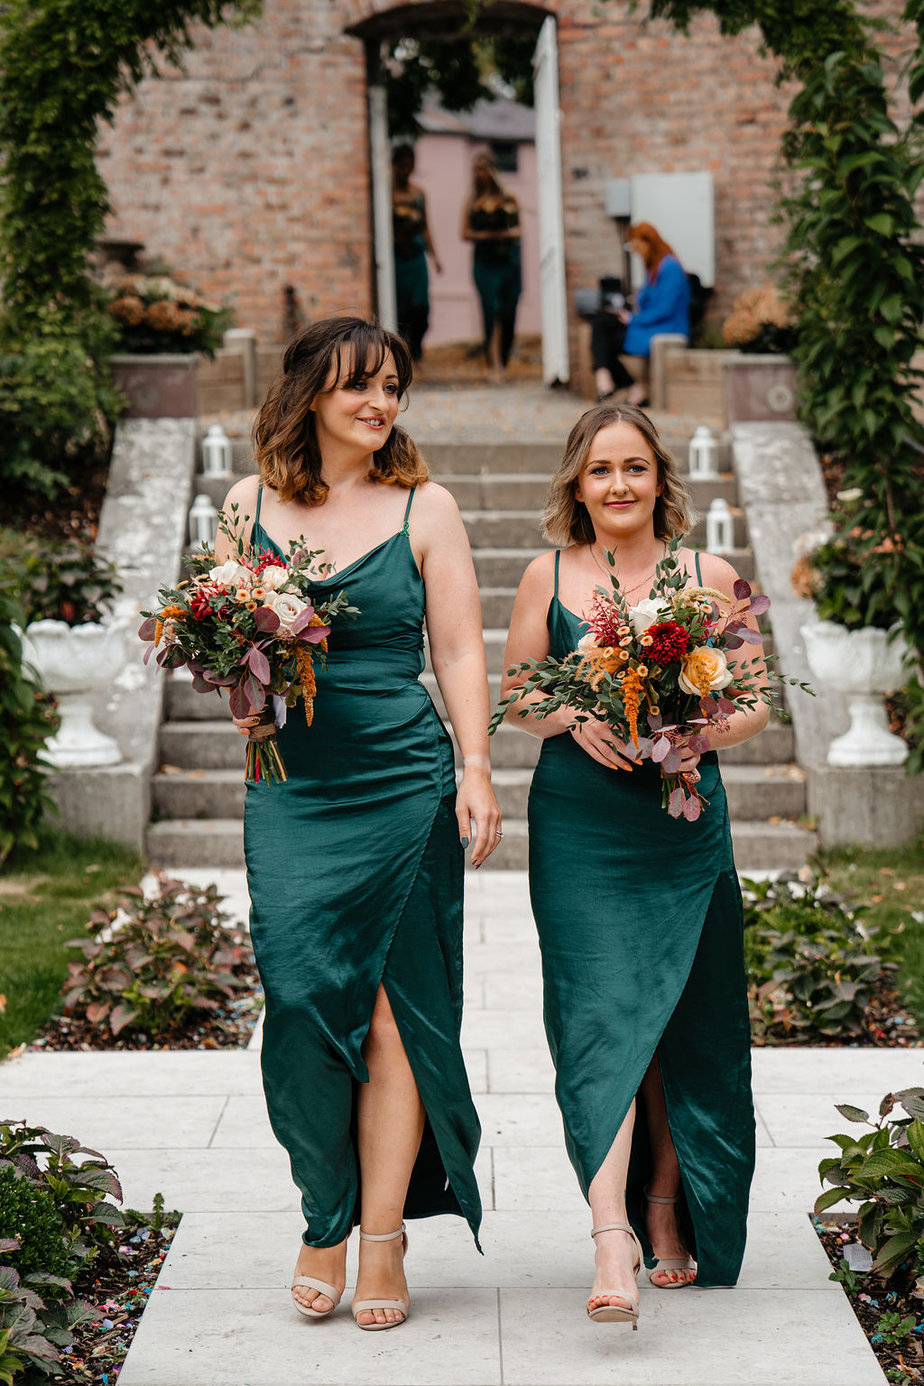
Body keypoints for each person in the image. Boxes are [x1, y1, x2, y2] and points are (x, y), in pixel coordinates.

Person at [215, 316, 502, 1331]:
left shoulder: (428, 507)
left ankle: (374, 1236)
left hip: (401, 778)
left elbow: (462, 651)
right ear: (308, 396)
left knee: (394, 1018)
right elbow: (223, 646)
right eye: (359, 388)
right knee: (299, 1006)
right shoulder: (244, 504)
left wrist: (475, 767)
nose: (381, 405)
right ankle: (322, 1208)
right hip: (290, 781)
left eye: (392, 388)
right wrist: (232, 680)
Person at [501, 402, 764, 1329]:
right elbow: (520, 690)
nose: (619, 485)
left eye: (635, 468)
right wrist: (573, 717)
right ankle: (611, 1229)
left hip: (680, 822)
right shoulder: (548, 574)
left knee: (674, 1017)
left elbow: (755, 705)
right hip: (582, 822)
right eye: (601, 469)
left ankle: (664, 1203)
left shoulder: (710, 574)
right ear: (577, 482)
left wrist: (694, 730)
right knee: (600, 1012)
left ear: (662, 479)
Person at [592, 222, 691, 406]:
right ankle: (612, 379)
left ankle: (613, 382)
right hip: (648, 324)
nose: (636, 253)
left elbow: (665, 309)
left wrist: (633, 318)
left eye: (638, 247)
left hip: (665, 327)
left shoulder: (670, 268)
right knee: (601, 323)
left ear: (649, 243)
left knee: (606, 341)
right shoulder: (652, 269)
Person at [461, 150, 522, 385]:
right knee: (491, 311)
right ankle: (493, 364)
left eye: (484, 168)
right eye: (476, 169)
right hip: (484, 263)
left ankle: (504, 362)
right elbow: (464, 232)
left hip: (507, 261)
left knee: (508, 312)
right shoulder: (471, 201)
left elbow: (519, 230)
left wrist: (502, 232)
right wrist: (486, 233)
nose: (480, 174)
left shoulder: (508, 198)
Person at [391, 144, 442, 362]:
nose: (406, 170)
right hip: (396, 256)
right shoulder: (387, 194)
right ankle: (402, 356)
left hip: (417, 255)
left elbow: (426, 226)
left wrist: (435, 256)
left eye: (409, 165)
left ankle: (416, 351)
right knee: (400, 307)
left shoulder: (419, 193)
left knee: (421, 307)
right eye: (401, 165)